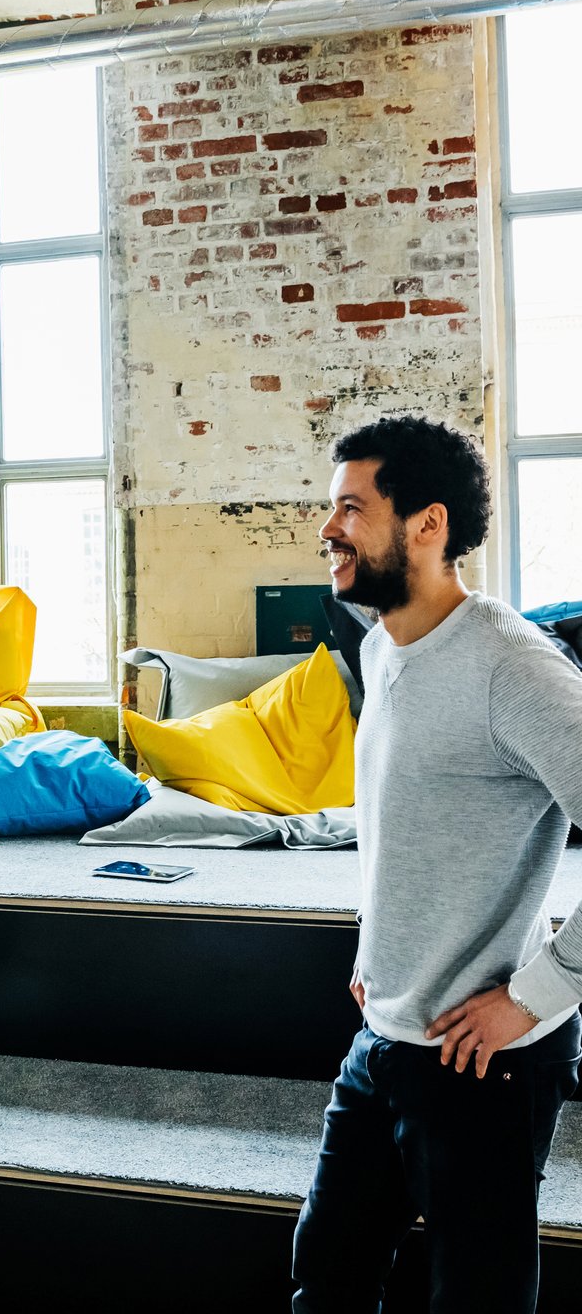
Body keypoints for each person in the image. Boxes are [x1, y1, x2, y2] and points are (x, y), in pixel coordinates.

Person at [291, 416, 582, 1313]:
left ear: (428, 524)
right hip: (383, 1039)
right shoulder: (381, 645)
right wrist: (378, 951)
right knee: (326, 1279)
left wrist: (534, 995)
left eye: (351, 508)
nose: (329, 530)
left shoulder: (514, 668)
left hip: (483, 1062)